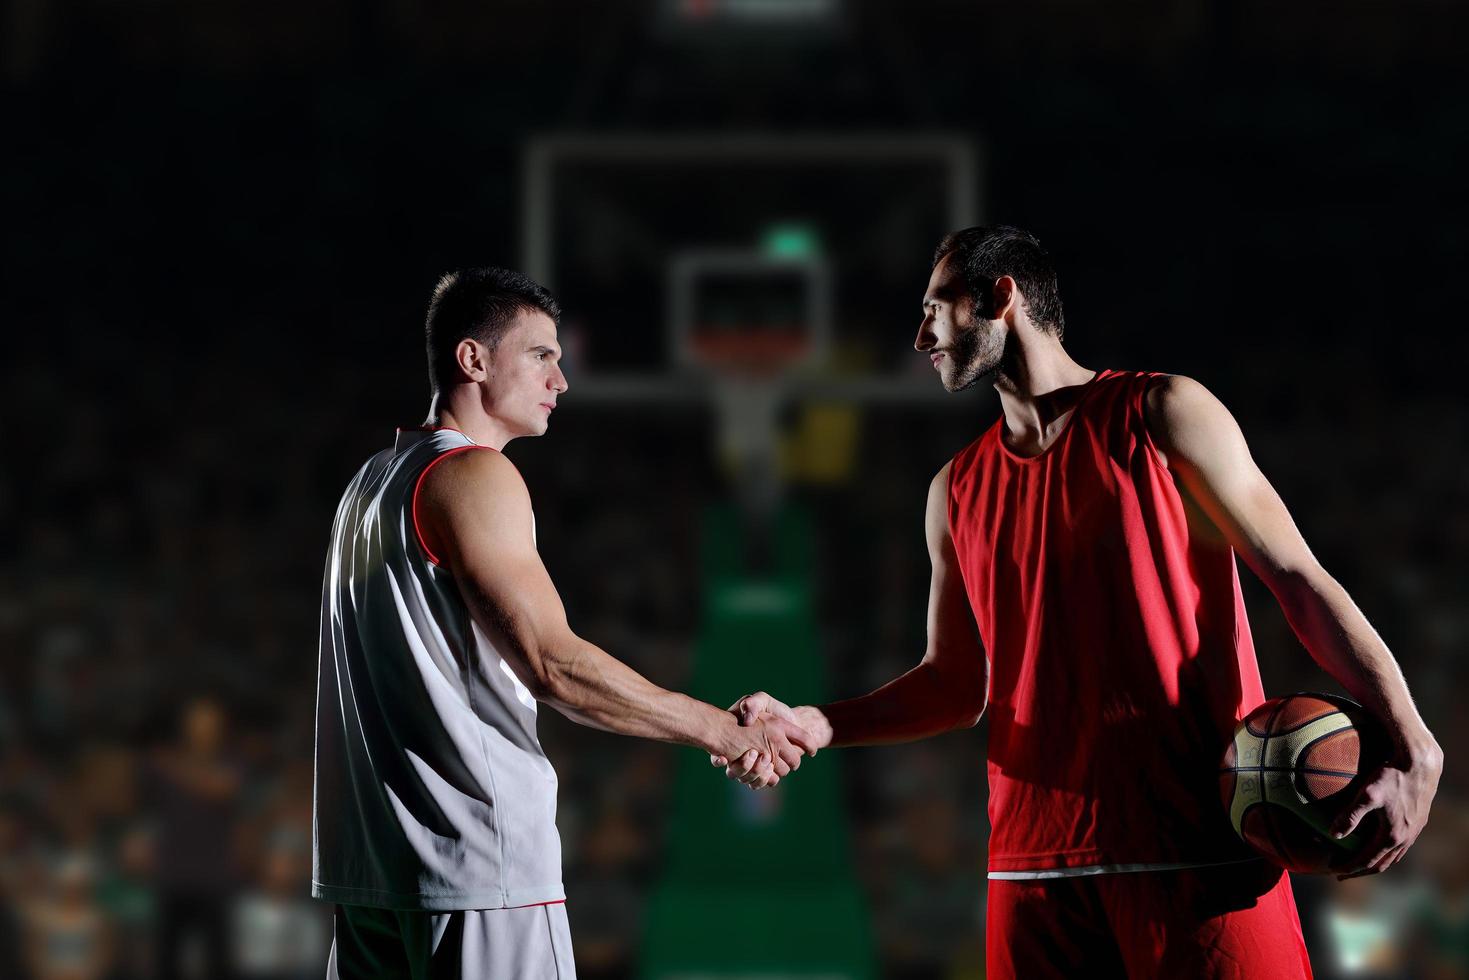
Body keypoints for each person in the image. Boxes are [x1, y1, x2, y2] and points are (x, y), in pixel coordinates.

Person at [716, 226, 1443, 977]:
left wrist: (1412, 740)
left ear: (1000, 296)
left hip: (1195, 853)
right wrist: (816, 723)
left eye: (935, 308)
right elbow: (954, 686)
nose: (918, 337)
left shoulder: (1162, 411)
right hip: (1031, 871)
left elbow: (1296, 577)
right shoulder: (953, 491)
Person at [313, 267, 813, 980]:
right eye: (542, 355)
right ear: (473, 360)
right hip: (477, 872)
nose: (562, 379)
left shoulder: (368, 483)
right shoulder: (473, 476)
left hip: (370, 877)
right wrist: (724, 730)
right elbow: (553, 666)